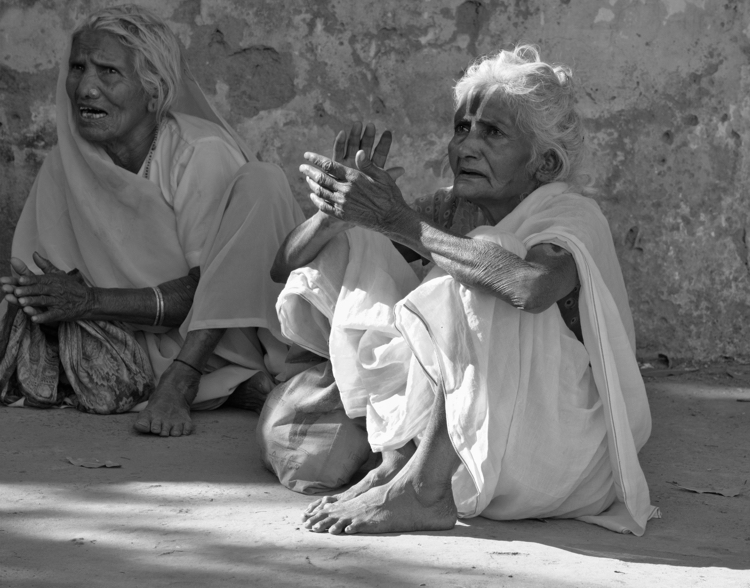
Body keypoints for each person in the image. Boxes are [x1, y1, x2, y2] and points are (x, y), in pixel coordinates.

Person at [268, 45, 659, 535]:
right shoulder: (454, 207)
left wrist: (397, 219)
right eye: (461, 128)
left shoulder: (571, 213)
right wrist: (339, 213)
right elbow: (284, 265)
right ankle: (400, 463)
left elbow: (528, 285)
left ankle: (423, 492)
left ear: (544, 163)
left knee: (488, 256)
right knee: (365, 241)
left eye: (492, 132)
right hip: (487, 455)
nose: (465, 146)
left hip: (567, 458)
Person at [0, 4, 304, 436]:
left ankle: (195, 379)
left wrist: (87, 300)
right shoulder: (66, 162)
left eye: (108, 72)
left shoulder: (198, 154)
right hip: (136, 336)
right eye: (78, 68)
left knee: (260, 191)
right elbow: (45, 272)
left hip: (222, 332)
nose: (86, 88)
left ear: (153, 88)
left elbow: (214, 286)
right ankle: (231, 388)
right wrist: (35, 295)